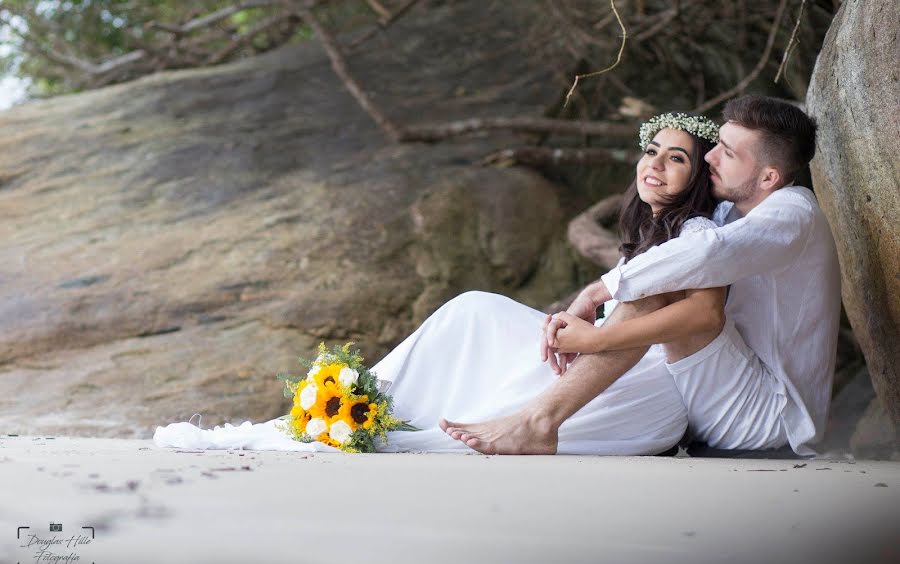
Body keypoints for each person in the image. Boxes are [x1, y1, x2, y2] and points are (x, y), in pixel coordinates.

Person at [154, 113, 729, 455]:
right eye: (651, 150)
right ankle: (349, 406)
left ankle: (356, 414)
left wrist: (588, 336)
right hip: (603, 360)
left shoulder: (699, 233)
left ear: (698, 175)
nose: (654, 163)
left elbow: (698, 316)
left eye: (676, 158)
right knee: (472, 314)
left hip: (642, 387)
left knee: (475, 314)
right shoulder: (653, 224)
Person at [443, 96, 840, 457]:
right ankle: (524, 413)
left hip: (769, 416)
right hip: (722, 385)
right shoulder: (730, 212)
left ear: (769, 178)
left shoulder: (793, 212)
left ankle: (538, 422)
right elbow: (679, 256)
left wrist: (599, 301)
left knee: (653, 293)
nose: (711, 158)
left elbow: (705, 257)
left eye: (728, 153)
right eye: (716, 144)